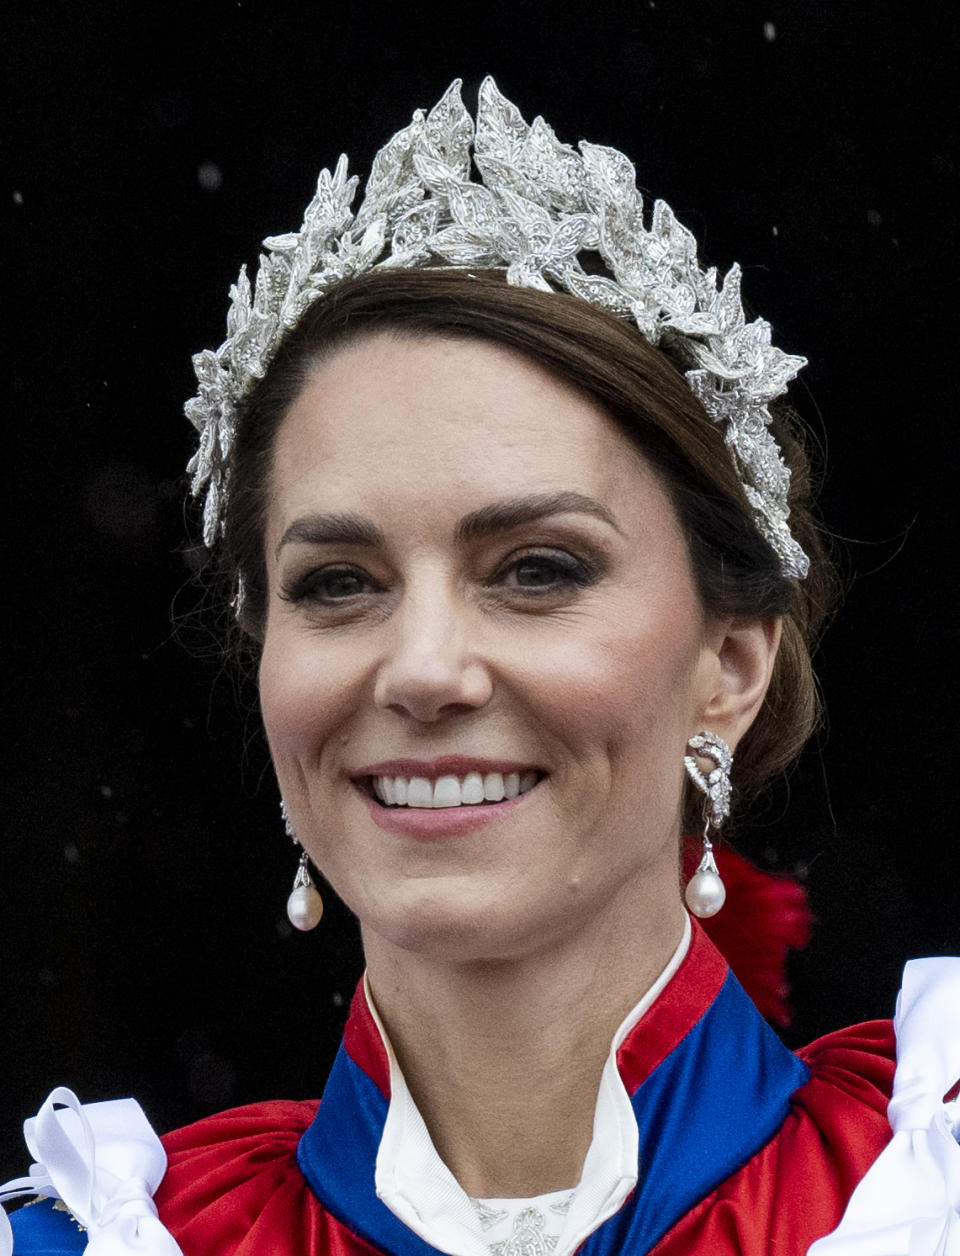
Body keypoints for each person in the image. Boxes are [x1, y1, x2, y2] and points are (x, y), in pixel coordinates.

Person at [2, 77, 958, 1256]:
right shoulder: (99, 1238)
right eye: (338, 582)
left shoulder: (923, 1192)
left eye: (538, 568)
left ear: (730, 660)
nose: (425, 669)